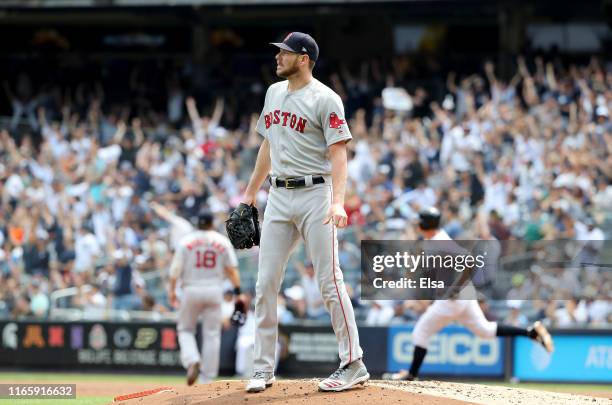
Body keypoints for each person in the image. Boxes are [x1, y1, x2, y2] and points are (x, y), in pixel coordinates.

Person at [242, 32, 368, 393]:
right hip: (278, 196)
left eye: (284, 53)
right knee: (265, 283)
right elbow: (268, 145)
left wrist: (338, 200)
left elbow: (339, 152)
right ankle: (263, 368)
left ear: (304, 58)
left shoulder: (326, 99)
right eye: (278, 52)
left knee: (329, 281)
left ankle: (353, 362)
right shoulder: (273, 93)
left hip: (316, 193)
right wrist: (250, 194)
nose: (277, 57)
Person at [384, 207, 554, 381]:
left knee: (420, 332)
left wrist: (455, 287)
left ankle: (411, 374)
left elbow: (469, 260)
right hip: (463, 295)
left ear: (424, 225)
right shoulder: (435, 239)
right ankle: (531, 332)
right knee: (485, 330)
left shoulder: (438, 242)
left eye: (419, 222)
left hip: (452, 299)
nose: (416, 224)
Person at [168, 209, 243, 386]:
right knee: (212, 334)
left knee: (185, 329)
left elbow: (174, 271)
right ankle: (207, 379)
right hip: (214, 290)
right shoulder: (221, 241)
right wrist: (238, 292)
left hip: (190, 289)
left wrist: (171, 291)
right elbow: (232, 270)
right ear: (211, 224)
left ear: (197, 223)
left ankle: (192, 359)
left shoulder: (186, 241)